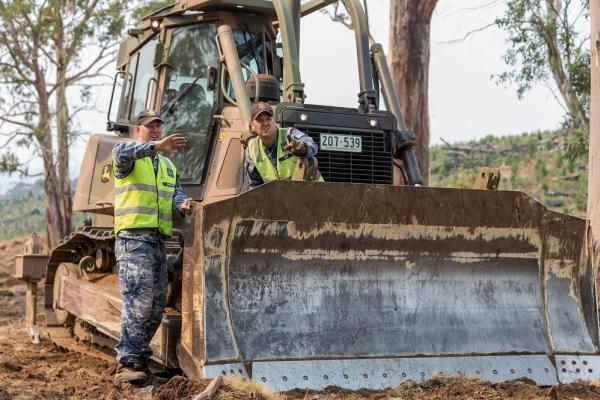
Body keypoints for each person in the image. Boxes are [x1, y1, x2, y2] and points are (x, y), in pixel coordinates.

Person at [111, 110, 193, 385]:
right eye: (150, 127)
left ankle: (140, 361)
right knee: (138, 302)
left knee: (157, 305)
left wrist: (182, 204)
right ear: (138, 131)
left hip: (158, 241)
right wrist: (155, 147)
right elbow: (120, 151)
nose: (156, 130)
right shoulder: (128, 158)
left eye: (158, 126)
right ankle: (126, 363)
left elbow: (176, 194)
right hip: (134, 241)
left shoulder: (168, 167)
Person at [245, 102, 322, 187]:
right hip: (285, 197)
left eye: (268, 119)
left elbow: (312, 146)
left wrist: (303, 149)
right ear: (252, 125)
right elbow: (255, 185)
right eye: (260, 120)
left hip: (315, 191)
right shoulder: (251, 149)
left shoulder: (290, 134)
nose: (265, 123)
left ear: (274, 120)